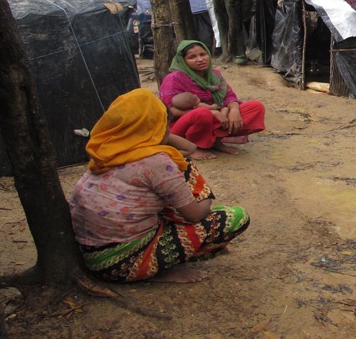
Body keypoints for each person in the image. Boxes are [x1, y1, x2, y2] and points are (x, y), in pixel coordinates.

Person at [69, 88, 250, 283]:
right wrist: (206, 197)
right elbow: (194, 215)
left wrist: (153, 133)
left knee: (181, 169)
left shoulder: (107, 152)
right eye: (164, 124)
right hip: (124, 264)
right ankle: (158, 271)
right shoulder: (156, 162)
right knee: (236, 217)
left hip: (92, 257)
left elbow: (189, 148)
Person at [159, 40, 266, 155]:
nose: (200, 59)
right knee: (203, 114)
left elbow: (229, 96)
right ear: (183, 61)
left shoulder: (214, 75)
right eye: (192, 57)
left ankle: (215, 141)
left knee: (255, 107)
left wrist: (234, 110)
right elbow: (170, 111)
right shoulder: (174, 78)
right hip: (180, 126)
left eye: (203, 54)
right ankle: (193, 147)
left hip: (217, 117)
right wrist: (210, 113)